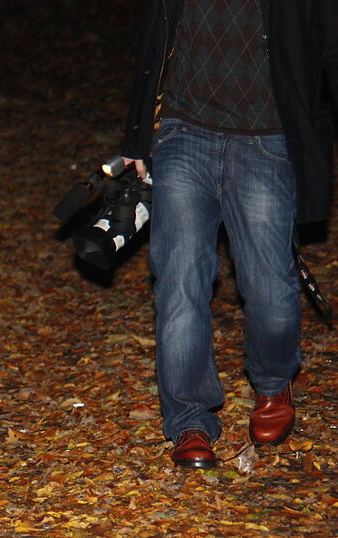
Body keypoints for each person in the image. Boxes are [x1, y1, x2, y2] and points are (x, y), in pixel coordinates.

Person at [120, 0, 338, 468]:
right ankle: (190, 420)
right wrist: (138, 138)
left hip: (269, 139)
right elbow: (154, 40)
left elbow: (331, 47)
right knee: (179, 283)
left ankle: (273, 381)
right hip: (183, 132)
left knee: (271, 291)